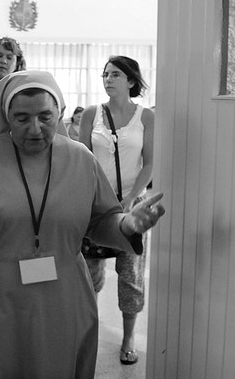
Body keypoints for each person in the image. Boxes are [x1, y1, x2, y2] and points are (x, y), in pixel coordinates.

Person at [0, 70, 164, 378]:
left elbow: (101, 220)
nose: (35, 129)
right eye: (21, 119)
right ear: (7, 116)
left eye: (45, 117)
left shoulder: (81, 159)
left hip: (63, 292)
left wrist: (127, 224)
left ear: (58, 112)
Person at [78, 55, 154, 366]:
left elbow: (149, 163)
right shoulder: (93, 114)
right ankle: (87, 333)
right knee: (89, 274)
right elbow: (80, 158)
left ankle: (128, 338)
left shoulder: (145, 117)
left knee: (131, 275)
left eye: (116, 75)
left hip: (130, 207)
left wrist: (130, 199)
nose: (108, 79)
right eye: (105, 74)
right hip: (95, 206)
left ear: (132, 81)